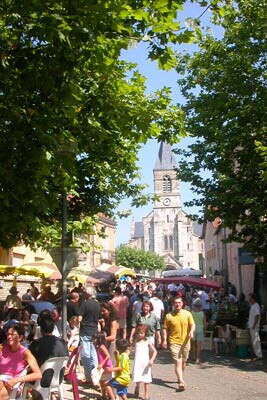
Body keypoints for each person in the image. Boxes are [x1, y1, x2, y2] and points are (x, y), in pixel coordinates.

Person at [0, 324, 41, 400]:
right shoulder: (2, 348)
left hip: (13, 385)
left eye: (12, 334)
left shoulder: (25, 353)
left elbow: (38, 374)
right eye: (8, 334)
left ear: (20, 337)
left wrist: (16, 380)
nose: (9, 337)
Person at [162, 297, 195, 391]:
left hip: (186, 341)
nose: (177, 304)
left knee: (184, 361)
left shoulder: (187, 313)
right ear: (173, 304)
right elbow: (164, 328)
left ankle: (180, 375)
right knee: (178, 361)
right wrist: (164, 340)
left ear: (182, 303)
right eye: (175, 303)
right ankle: (181, 381)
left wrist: (191, 332)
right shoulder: (169, 316)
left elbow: (192, 324)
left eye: (179, 302)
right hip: (174, 342)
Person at [79, 286, 100, 380]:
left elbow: (80, 318)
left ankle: (88, 376)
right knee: (94, 353)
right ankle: (96, 375)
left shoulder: (85, 304)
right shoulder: (97, 304)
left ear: (87, 294)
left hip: (85, 330)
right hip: (94, 330)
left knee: (86, 355)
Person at [132, 325, 157, 400]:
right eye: (138, 333)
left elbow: (155, 351)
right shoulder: (135, 342)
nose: (140, 335)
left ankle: (146, 394)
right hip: (138, 362)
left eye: (142, 333)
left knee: (146, 379)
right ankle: (137, 387)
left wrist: (152, 360)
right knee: (138, 376)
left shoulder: (147, 341)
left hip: (146, 363)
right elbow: (131, 350)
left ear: (145, 334)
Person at [93, 332, 113, 399]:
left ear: (99, 339)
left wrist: (101, 364)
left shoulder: (102, 346)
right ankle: (104, 396)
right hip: (103, 367)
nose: (93, 340)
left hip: (107, 366)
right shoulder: (98, 347)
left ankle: (112, 398)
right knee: (101, 382)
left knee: (106, 384)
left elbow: (108, 356)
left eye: (95, 339)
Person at [248, 293, 262, 361]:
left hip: (254, 327)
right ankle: (256, 354)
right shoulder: (253, 305)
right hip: (252, 326)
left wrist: (254, 325)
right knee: (254, 341)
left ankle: (259, 355)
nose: (249, 299)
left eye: (250, 298)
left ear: (253, 298)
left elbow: (257, 316)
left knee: (256, 341)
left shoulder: (256, 306)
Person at [191, 298, 206, 363]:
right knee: (199, 345)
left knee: (193, 344)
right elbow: (205, 323)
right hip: (200, 329)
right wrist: (204, 330)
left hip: (193, 329)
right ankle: (197, 358)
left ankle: (193, 356)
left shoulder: (191, 313)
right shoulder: (202, 313)